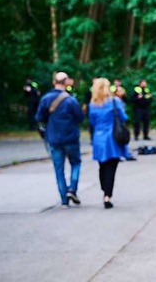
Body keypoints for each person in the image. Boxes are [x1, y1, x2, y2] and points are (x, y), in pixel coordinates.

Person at [35, 72, 84, 208]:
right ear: (66, 82)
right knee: (76, 163)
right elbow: (80, 118)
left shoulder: (46, 99)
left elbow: (39, 118)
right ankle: (72, 189)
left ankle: (64, 200)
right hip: (71, 138)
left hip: (54, 138)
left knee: (59, 169)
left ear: (54, 82)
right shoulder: (71, 100)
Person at [89, 78, 128, 209]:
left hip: (98, 138)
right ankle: (107, 195)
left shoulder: (93, 104)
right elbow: (124, 118)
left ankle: (104, 187)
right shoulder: (114, 102)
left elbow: (92, 122)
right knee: (112, 167)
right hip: (112, 138)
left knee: (102, 165)